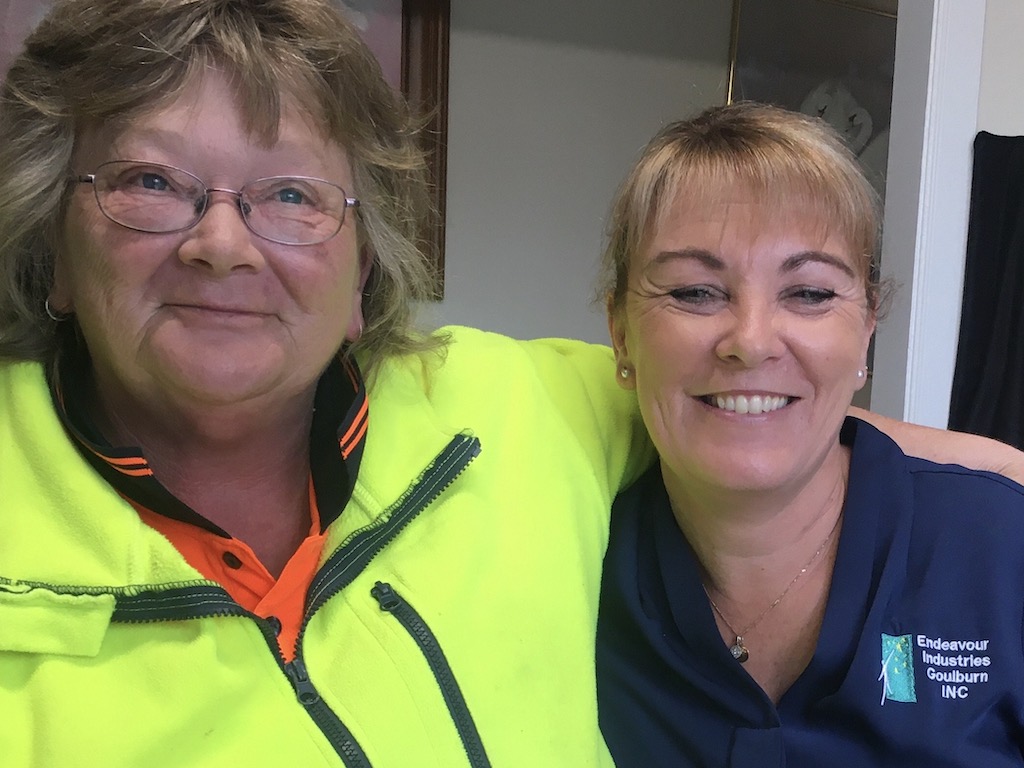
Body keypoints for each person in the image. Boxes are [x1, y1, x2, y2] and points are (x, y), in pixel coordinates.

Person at [0, 4, 1020, 766]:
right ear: (55, 229)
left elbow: (746, 410)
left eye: (291, 195)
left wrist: (992, 477)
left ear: (364, 266)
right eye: (149, 183)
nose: (221, 243)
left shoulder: (510, 411)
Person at [596, 102, 1024, 767]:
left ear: (867, 332)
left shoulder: (998, 550)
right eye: (695, 292)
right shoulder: (569, 561)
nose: (752, 341)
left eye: (810, 294)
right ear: (620, 332)